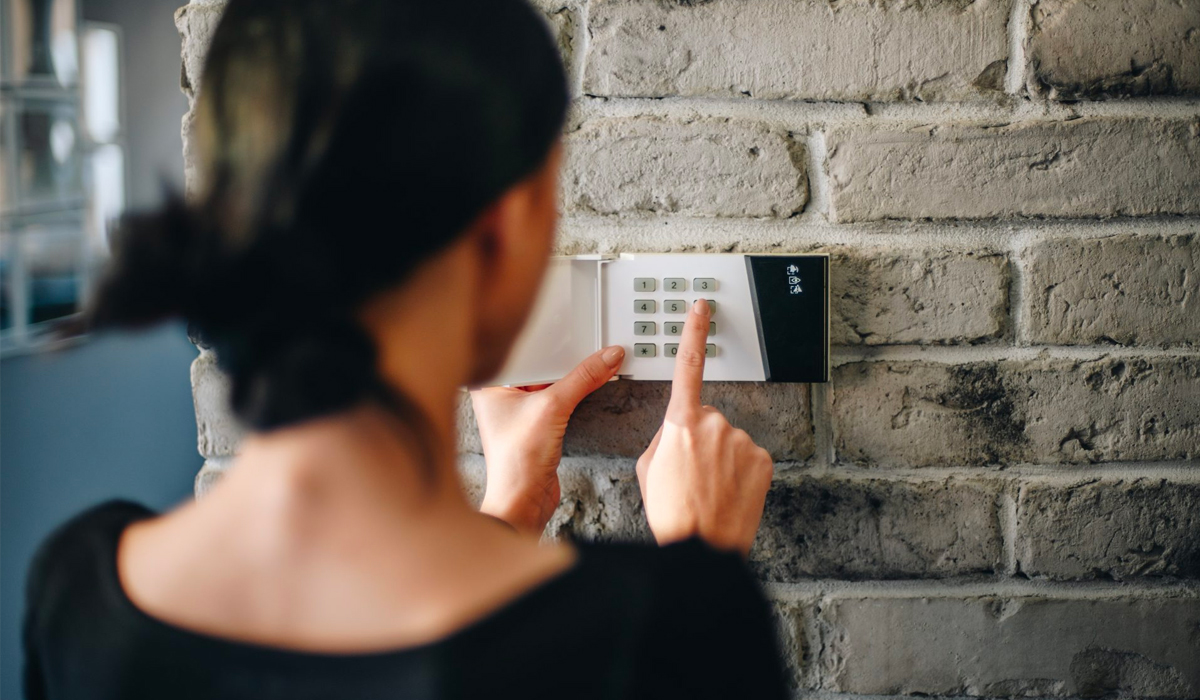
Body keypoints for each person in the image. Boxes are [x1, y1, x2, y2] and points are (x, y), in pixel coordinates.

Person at [22, 0, 785, 697]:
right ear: (507, 229)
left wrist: (511, 508)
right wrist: (699, 568)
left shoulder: (78, 594)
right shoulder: (663, 628)